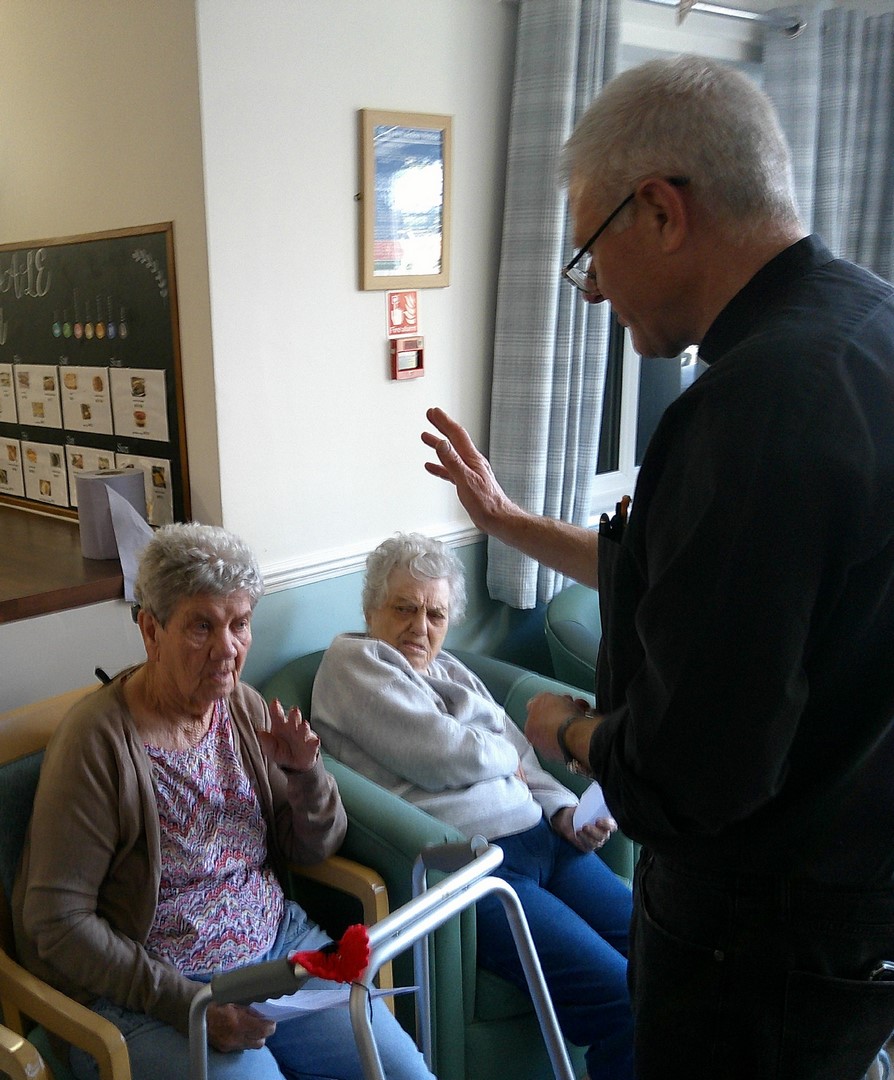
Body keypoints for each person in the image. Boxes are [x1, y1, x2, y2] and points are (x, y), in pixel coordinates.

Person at [420, 56, 894, 1080]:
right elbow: (694, 575)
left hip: (756, 940)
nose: (593, 291)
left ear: (661, 211)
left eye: (592, 254)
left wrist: (569, 729)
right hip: (855, 905)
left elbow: (692, 772)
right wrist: (504, 521)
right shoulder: (868, 327)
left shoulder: (753, 407)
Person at [13, 523, 432, 1080]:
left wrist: (307, 776)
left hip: (277, 950)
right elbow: (57, 921)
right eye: (201, 626)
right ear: (150, 630)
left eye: (240, 624)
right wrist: (187, 1004)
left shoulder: (243, 708)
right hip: (150, 994)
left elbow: (312, 849)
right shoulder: (95, 743)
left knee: (403, 1072)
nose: (227, 649)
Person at [311, 532, 635, 1080]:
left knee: (661, 953)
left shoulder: (450, 671)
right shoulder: (353, 663)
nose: (420, 627)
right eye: (404, 608)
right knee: (617, 995)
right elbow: (441, 754)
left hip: (544, 839)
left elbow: (523, 754)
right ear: (371, 609)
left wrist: (561, 810)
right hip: (477, 868)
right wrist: (503, 753)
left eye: (435, 614)